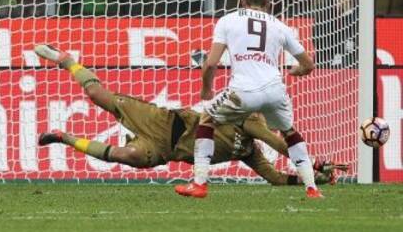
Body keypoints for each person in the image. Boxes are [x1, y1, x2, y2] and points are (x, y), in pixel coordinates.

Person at [34, 44, 346, 186]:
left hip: (164, 151)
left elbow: (275, 178)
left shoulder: (249, 153)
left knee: (126, 155)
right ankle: (67, 60)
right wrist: (312, 165)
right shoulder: (248, 119)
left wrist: (313, 179)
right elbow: (277, 142)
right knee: (96, 95)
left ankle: (64, 137)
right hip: (165, 122)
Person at [175, 0, 320, 199]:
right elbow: (308, 64)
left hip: (243, 92)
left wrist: (206, 90)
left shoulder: (228, 21)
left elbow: (211, 63)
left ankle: (199, 184)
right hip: (274, 90)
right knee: (289, 132)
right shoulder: (280, 26)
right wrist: (297, 71)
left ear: (242, 1)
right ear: (269, 3)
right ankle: (312, 188)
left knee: (206, 119)